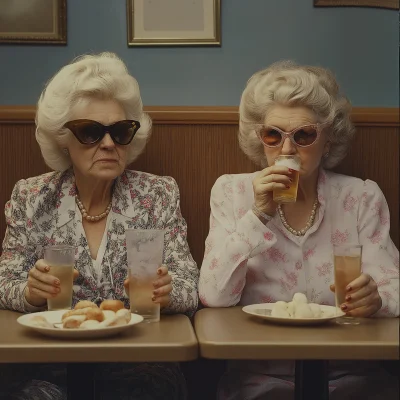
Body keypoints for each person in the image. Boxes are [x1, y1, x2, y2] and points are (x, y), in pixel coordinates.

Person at [0, 52, 199, 400]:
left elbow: (189, 287)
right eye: (91, 131)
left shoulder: (157, 193)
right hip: (49, 361)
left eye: (120, 131)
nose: (108, 143)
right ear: (63, 138)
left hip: (137, 359)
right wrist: (29, 293)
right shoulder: (31, 197)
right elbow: (5, 283)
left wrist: (168, 293)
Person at [199, 61, 399, 400]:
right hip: (260, 378)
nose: (287, 149)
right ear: (258, 138)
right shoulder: (231, 193)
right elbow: (213, 297)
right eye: (273, 135)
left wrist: (377, 298)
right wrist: (258, 214)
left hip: (350, 375)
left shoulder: (361, 197)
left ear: (328, 138)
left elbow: (393, 288)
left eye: (304, 135)